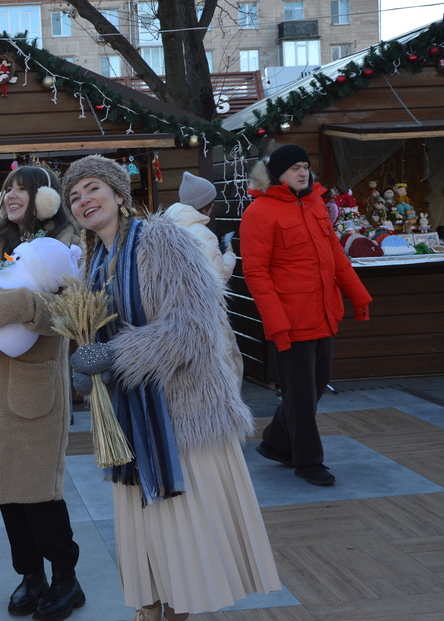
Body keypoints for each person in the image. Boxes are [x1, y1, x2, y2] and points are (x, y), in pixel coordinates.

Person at [62, 155, 280, 621]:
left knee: (184, 527)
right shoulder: (94, 262)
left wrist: (115, 357)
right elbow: (96, 335)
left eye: (94, 189)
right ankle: (149, 605)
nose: (85, 200)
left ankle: (179, 608)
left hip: (182, 414)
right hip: (131, 422)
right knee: (145, 526)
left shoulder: (161, 240)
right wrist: (88, 370)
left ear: (120, 196)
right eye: (75, 197)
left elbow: (194, 325)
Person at [0, 164, 84, 621]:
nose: (12, 195)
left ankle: (66, 577)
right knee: (7, 489)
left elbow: (72, 313)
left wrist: (28, 306)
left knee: (40, 491)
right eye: (9, 187)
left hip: (33, 384)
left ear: (44, 198)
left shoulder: (65, 244)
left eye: (23, 189)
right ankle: (30, 576)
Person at [240, 144, 372, 487]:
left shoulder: (315, 204)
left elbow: (336, 259)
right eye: (295, 167)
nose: (303, 173)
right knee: (299, 394)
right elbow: (256, 274)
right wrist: (275, 323)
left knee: (313, 389)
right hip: (290, 319)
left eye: (306, 166)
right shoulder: (259, 213)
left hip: (324, 314)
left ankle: (277, 441)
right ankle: (308, 460)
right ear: (277, 175)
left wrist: (358, 296)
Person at [164, 172, 242, 380]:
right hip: (208, 313)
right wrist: (230, 253)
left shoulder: (168, 229)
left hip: (178, 315)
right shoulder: (202, 232)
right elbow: (220, 274)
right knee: (227, 365)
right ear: (207, 204)